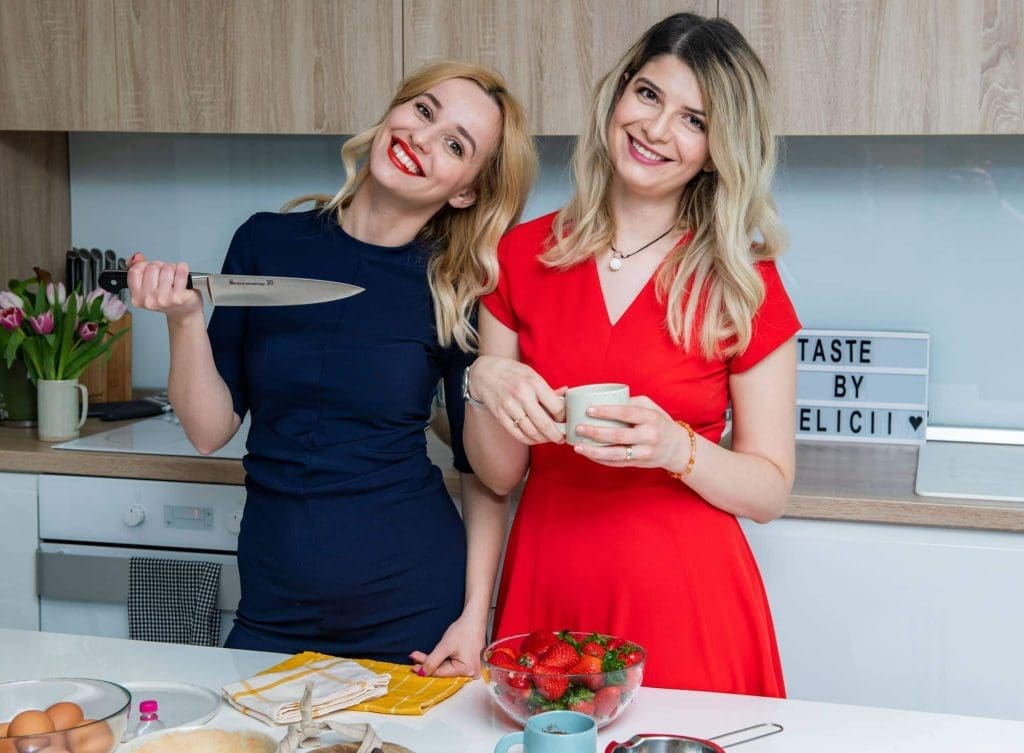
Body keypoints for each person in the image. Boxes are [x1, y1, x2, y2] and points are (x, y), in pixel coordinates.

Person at [126, 61, 537, 676]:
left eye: (455, 145)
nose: (422, 138)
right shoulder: (265, 242)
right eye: (423, 111)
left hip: (413, 606)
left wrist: (475, 614)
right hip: (271, 604)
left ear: (465, 191)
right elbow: (209, 430)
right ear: (394, 111)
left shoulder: (455, 286)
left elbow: (482, 474)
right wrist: (183, 320)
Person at [463, 13, 799, 694]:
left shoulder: (744, 281)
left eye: (694, 120)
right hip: (549, 578)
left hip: (687, 598)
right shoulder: (521, 256)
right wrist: (485, 381)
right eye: (648, 95)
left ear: (718, 149)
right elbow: (498, 474)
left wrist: (677, 448)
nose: (656, 129)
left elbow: (770, 491)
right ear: (618, 94)